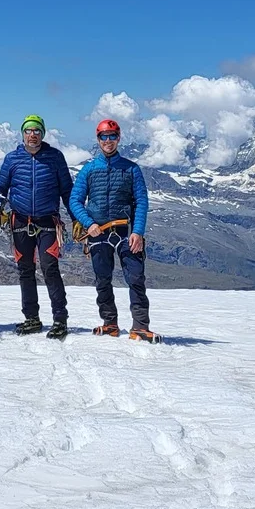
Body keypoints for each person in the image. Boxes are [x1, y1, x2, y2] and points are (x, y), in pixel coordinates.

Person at [68, 119, 161, 343]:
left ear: (118, 138)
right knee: (102, 279)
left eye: (112, 136)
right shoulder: (89, 169)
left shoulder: (131, 169)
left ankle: (140, 326)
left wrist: (138, 231)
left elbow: (141, 201)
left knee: (136, 277)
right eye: (104, 136)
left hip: (126, 232)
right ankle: (110, 323)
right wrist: (88, 223)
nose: (108, 140)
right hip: (98, 231)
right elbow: (75, 200)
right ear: (98, 139)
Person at [0, 114, 74, 339]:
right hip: (20, 221)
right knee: (25, 270)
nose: (32, 134)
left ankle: (60, 319)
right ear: (23, 134)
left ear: (43, 134)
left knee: (49, 267)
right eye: (28, 130)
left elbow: (67, 191)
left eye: (37, 130)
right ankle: (32, 318)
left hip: (48, 221)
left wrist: (77, 218)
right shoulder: (12, 159)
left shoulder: (55, 157)